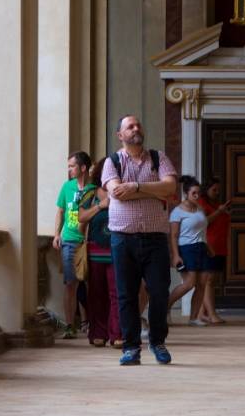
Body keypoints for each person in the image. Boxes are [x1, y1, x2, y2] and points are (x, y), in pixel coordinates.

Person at [102, 115, 177, 366]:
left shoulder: (159, 158)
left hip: (156, 239)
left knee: (159, 292)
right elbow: (115, 193)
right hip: (123, 239)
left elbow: (169, 188)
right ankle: (132, 347)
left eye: (138, 125)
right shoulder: (112, 162)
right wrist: (150, 189)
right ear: (120, 135)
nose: (136, 129)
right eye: (129, 127)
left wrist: (133, 186)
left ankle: (157, 342)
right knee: (126, 295)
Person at [78, 157, 120, 346]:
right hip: (95, 249)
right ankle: (98, 333)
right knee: (96, 293)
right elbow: (80, 217)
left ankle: (117, 334)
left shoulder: (121, 190)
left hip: (118, 248)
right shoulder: (89, 193)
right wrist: (100, 206)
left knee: (117, 293)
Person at [53, 151, 94, 339]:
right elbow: (60, 211)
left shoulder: (94, 189)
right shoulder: (67, 187)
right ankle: (70, 325)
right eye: (68, 166)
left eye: (72, 166)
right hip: (69, 240)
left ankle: (89, 322)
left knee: (90, 284)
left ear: (83, 168)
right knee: (70, 284)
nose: (69, 169)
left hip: (89, 242)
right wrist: (56, 234)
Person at [168, 177, 213, 325]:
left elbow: (202, 231)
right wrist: (175, 255)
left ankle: (194, 318)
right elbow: (173, 236)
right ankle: (164, 307)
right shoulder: (177, 212)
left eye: (199, 193)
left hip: (201, 247)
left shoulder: (199, 209)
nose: (197, 196)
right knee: (189, 283)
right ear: (186, 193)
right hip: (186, 249)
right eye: (194, 193)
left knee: (202, 283)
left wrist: (208, 247)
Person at [198, 176, 231, 324]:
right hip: (208, 246)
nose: (217, 192)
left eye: (218, 189)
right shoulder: (201, 203)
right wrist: (219, 212)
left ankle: (201, 314)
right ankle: (212, 314)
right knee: (208, 280)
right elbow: (203, 222)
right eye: (214, 189)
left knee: (213, 279)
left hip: (221, 246)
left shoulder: (218, 204)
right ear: (206, 190)